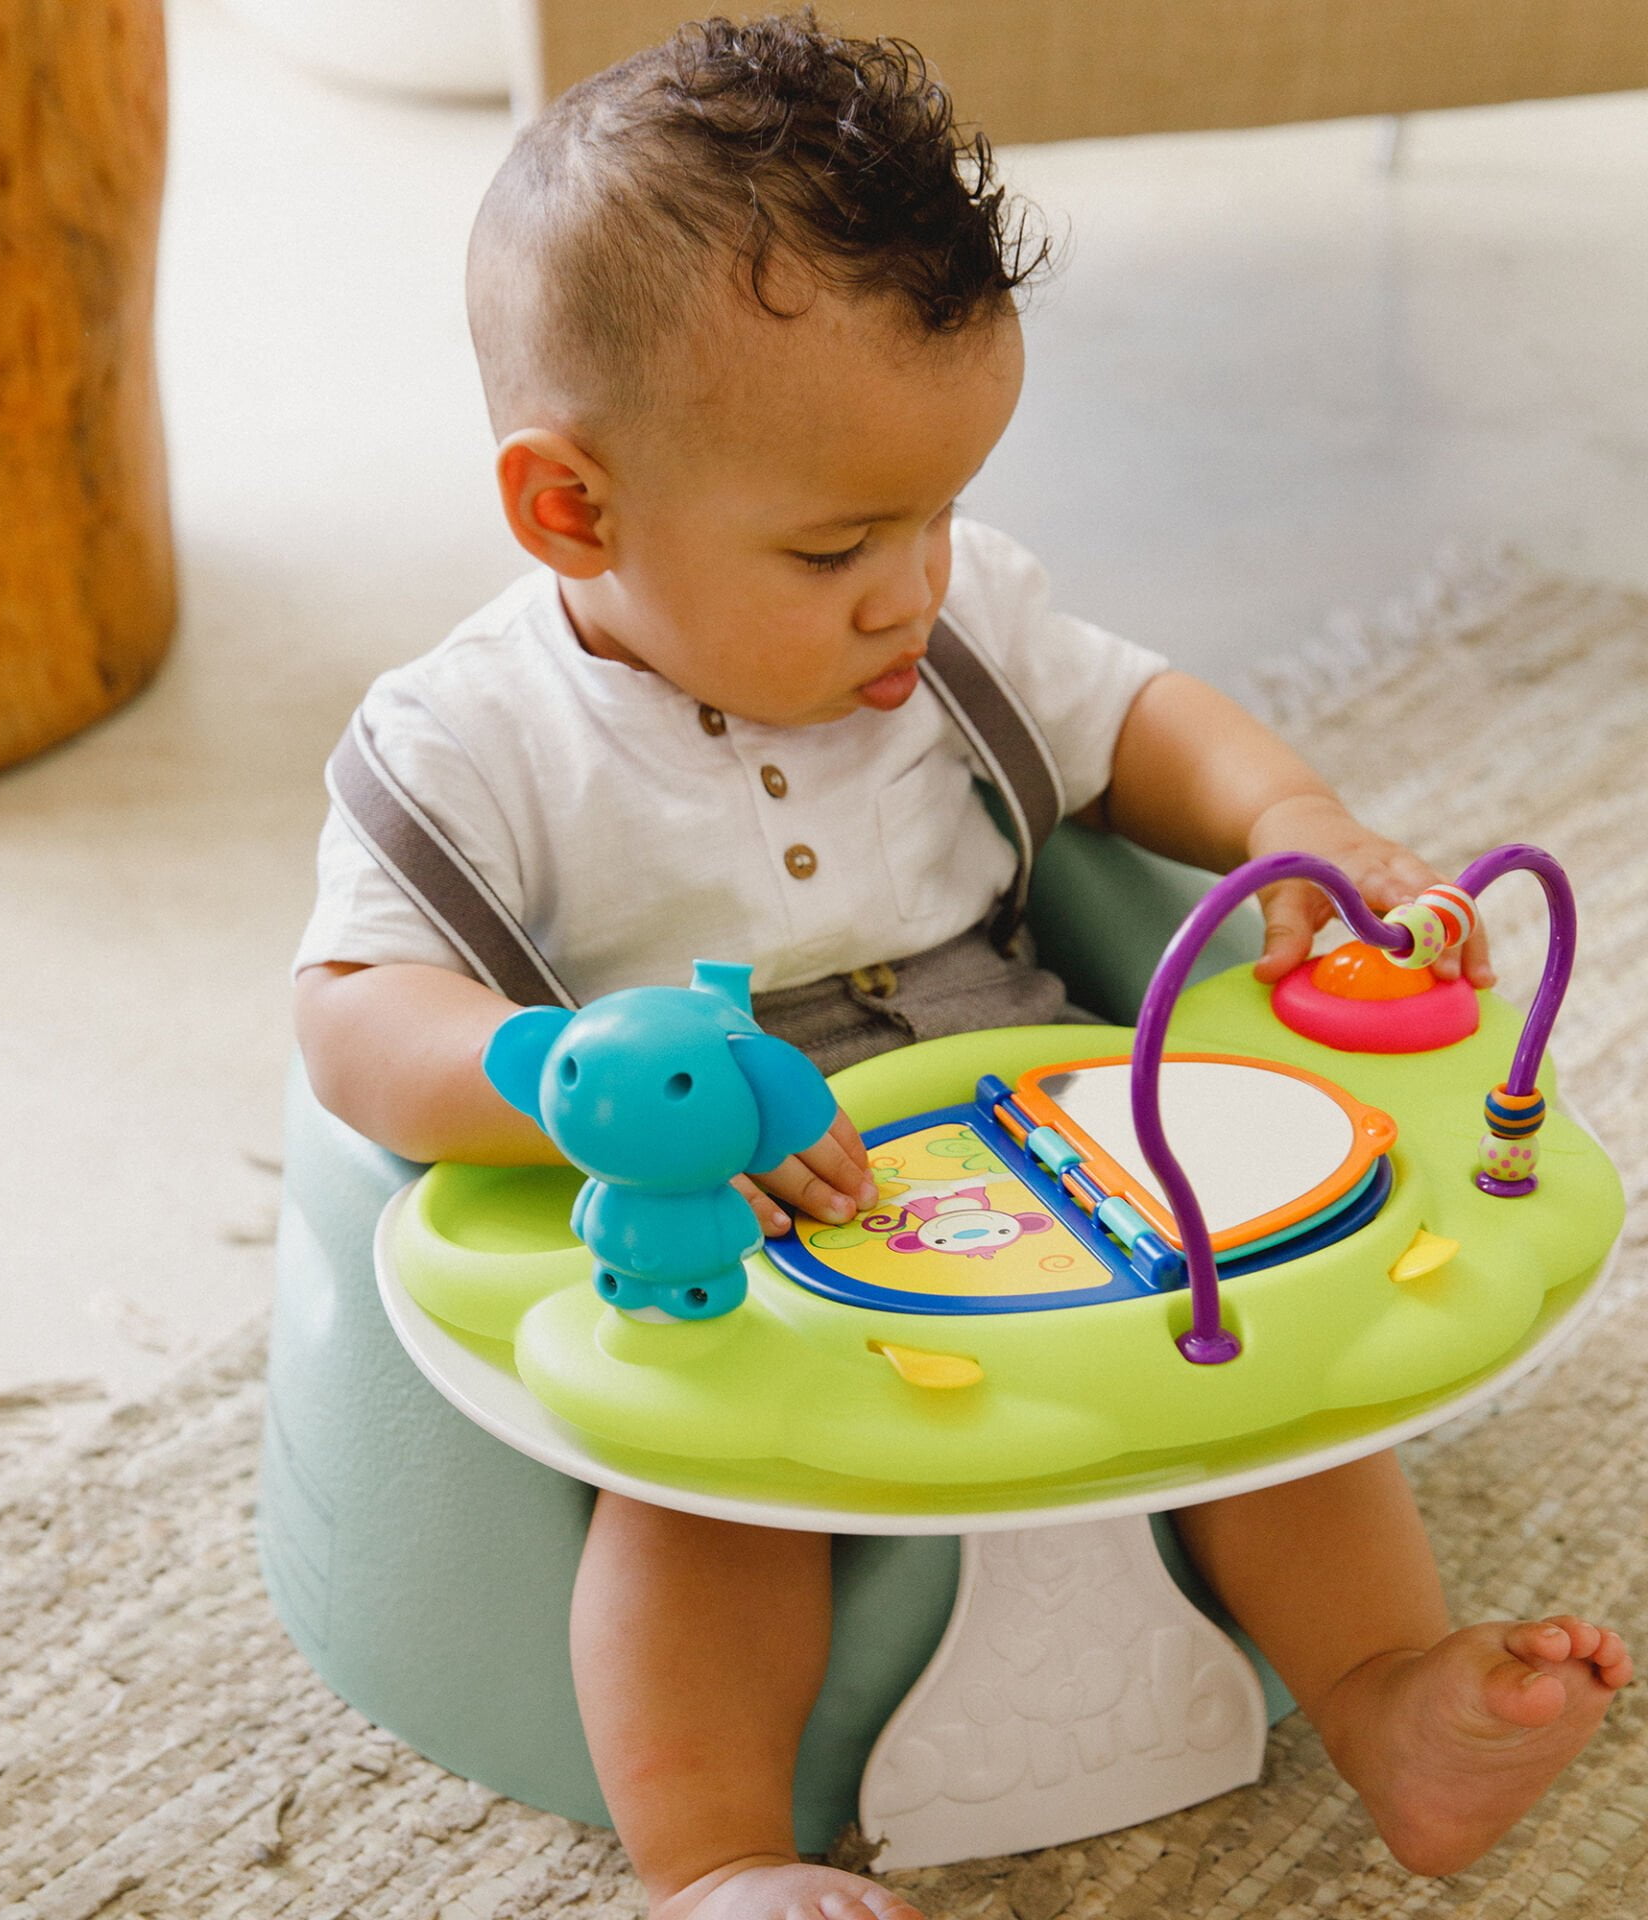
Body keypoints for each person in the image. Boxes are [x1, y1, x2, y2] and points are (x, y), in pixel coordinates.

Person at [292, 17, 1631, 1919]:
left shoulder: (956, 610)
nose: (914, 586)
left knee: (1276, 1362)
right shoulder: (467, 742)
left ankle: (1387, 1697)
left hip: (1032, 1099)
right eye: (840, 543)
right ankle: (719, 1858)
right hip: (712, 1201)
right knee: (706, 1489)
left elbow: (1138, 722)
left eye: (940, 510)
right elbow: (354, 1020)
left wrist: (1299, 823)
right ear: (573, 510)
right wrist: (569, 1078)